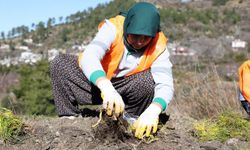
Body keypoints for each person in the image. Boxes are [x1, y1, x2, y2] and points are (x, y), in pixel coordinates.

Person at [50, 2, 174, 139]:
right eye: (135, 36)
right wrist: (106, 87)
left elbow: (165, 84)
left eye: (146, 38)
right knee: (60, 63)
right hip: (96, 83)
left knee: (147, 80)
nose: (140, 42)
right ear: (127, 28)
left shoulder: (159, 46)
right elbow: (89, 56)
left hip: (126, 87)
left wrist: (154, 110)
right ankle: (69, 116)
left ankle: (131, 118)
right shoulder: (113, 28)